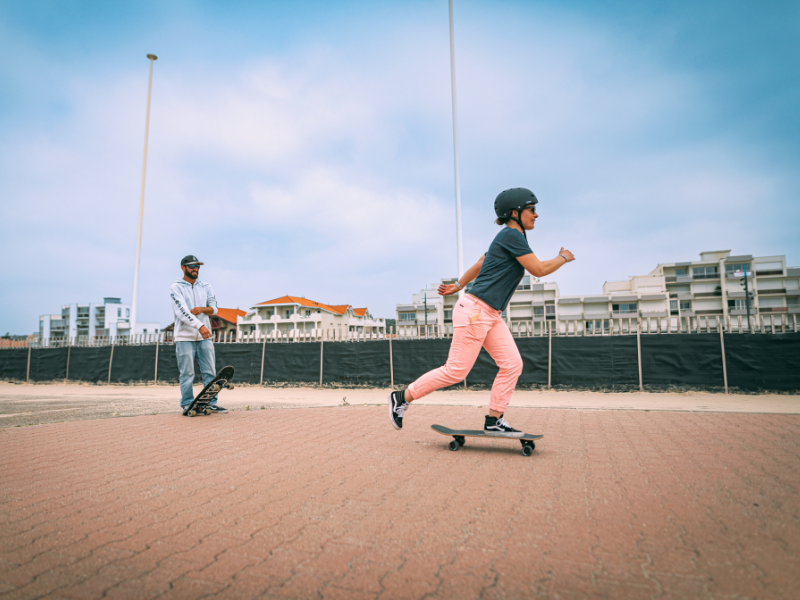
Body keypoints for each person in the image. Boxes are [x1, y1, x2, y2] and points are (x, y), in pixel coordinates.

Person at [388, 188, 575, 436]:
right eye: (532, 210)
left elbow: (480, 262)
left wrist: (458, 285)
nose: (536, 215)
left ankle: (494, 420)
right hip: (476, 311)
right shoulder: (510, 235)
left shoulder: (509, 238)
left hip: (490, 313)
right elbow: (539, 269)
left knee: (511, 364)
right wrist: (563, 257)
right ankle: (402, 397)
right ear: (514, 213)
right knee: (456, 371)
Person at [170, 255, 228, 415]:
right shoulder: (176, 288)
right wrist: (200, 325)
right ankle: (187, 404)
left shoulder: (206, 286)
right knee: (187, 373)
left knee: (210, 372)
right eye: (191, 266)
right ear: (183, 268)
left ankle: (211, 403)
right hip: (184, 337)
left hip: (205, 337)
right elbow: (182, 312)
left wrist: (202, 309)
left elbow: (214, 309)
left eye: (198, 266)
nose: (195, 269)